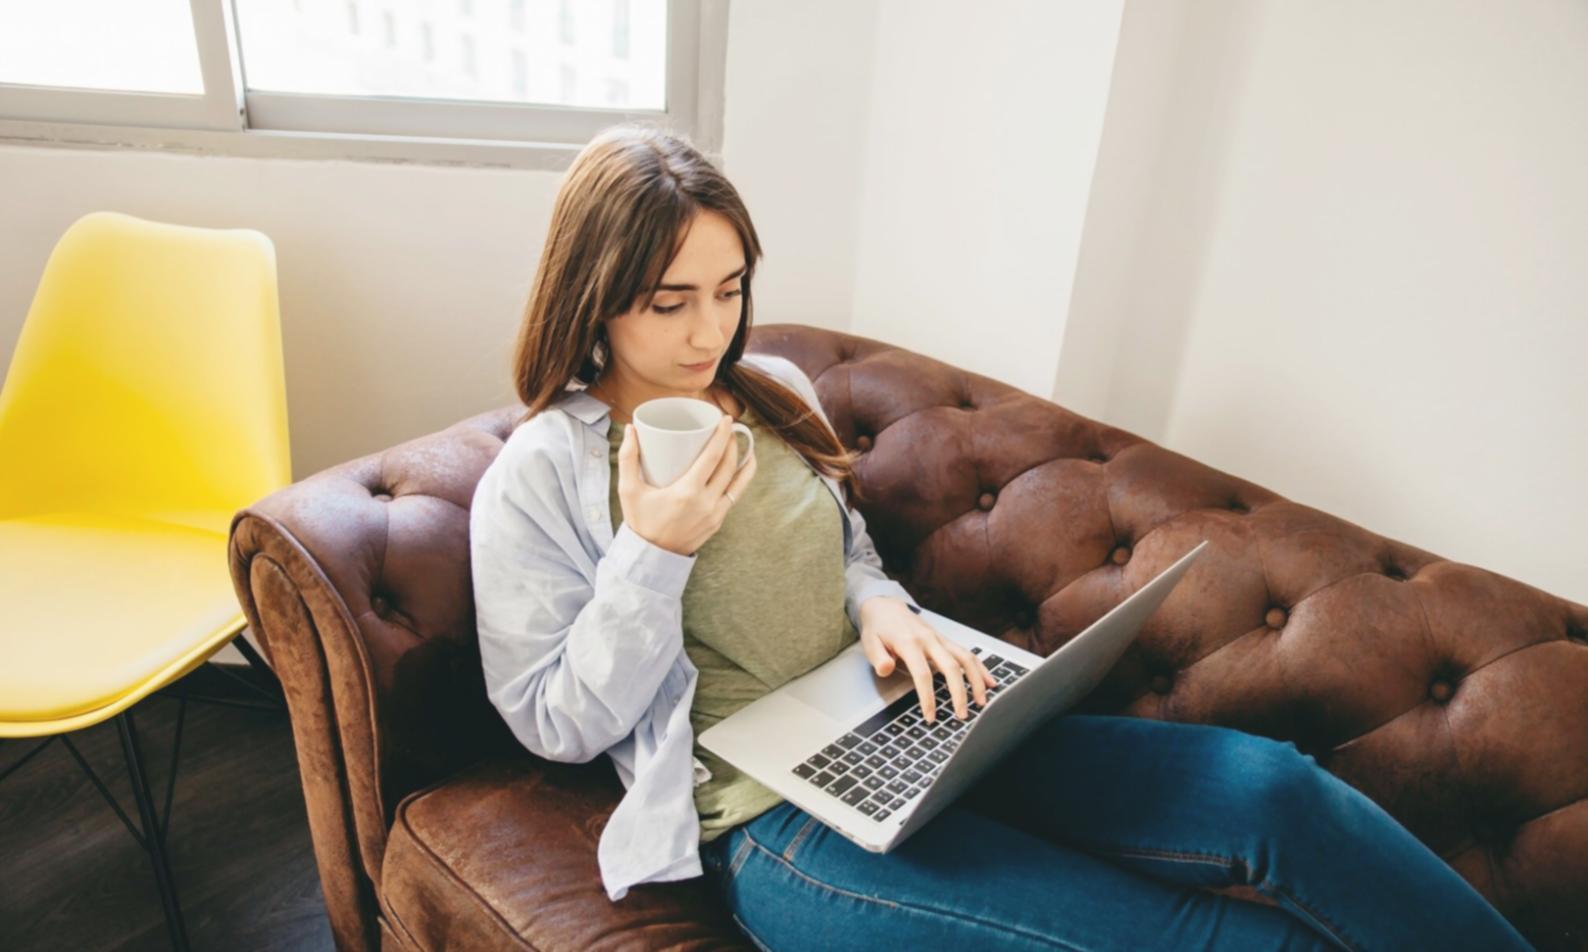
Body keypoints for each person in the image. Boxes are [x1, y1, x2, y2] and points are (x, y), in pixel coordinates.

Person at [468, 122, 1535, 951]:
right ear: (596, 297)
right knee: (1196, 938)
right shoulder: (542, 475)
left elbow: (845, 554)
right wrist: (652, 554)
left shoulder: (776, 390)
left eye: (731, 289)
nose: (710, 331)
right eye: (669, 302)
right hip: (765, 817)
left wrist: (880, 606)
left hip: (911, 718)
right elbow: (553, 721)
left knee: (1276, 793)